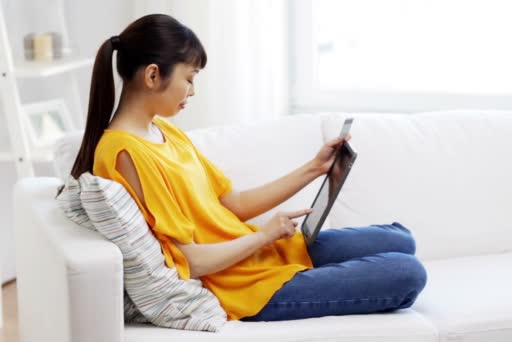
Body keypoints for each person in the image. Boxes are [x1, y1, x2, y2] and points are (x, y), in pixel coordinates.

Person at [69, 14, 427, 322]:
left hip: (260, 256)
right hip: (244, 287)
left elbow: (233, 203)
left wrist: (314, 168)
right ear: (152, 75)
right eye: (190, 78)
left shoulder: (165, 132)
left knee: (400, 239)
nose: (192, 91)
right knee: (407, 272)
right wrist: (264, 235)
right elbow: (191, 262)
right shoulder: (123, 153)